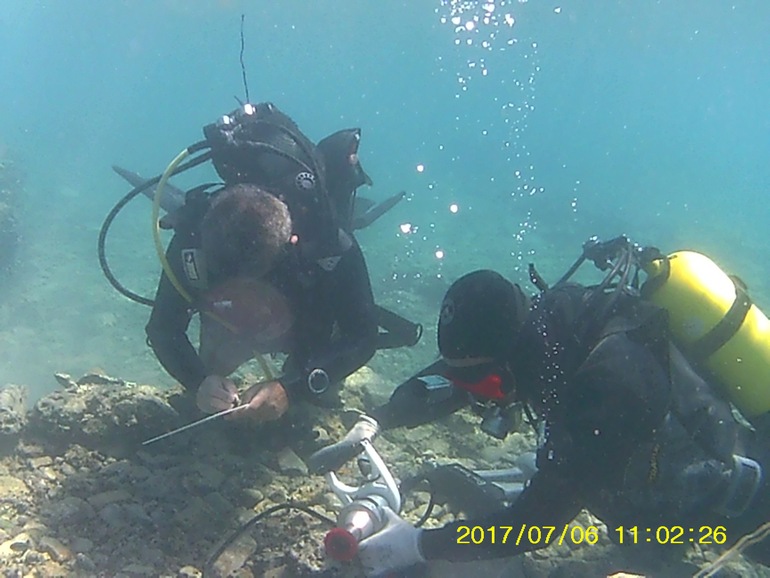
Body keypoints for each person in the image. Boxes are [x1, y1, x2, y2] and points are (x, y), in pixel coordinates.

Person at [345, 241, 770, 576]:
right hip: (649, 491)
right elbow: (458, 374)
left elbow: (535, 526)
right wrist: (378, 418)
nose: (478, 402)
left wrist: (420, 544)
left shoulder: (605, 387)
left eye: (487, 387)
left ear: (508, 361)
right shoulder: (550, 325)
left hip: (741, 510)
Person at [145, 103, 381, 422]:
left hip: (304, 312)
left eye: (253, 279)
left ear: (289, 244)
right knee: (212, 369)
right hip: (229, 319)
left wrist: (292, 387)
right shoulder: (193, 238)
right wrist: (198, 380)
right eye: (230, 280)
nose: (247, 293)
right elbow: (163, 328)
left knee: (313, 394)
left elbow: (362, 336)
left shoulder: (326, 244)